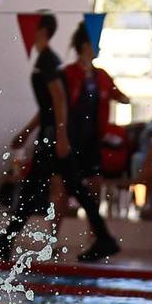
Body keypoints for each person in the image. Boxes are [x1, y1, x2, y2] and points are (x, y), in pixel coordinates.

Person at [0, 12, 71, 259]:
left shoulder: (48, 60)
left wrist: (60, 135)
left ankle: (10, 237)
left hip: (52, 135)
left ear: (41, 30)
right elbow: (49, 106)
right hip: (49, 133)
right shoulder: (45, 60)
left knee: (41, 187)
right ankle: (10, 237)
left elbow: (59, 99)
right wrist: (27, 132)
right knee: (42, 187)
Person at [58, 25, 126, 261]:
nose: (98, 48)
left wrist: (121, 98)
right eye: (95, 43)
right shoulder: (69, 74)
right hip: (72, 139)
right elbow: (59, 105)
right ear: (86, 46)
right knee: (64, 192)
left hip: (92, 141)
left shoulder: (102, 76)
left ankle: (94, 237)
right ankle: (53, 238)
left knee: (94, 188)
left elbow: (120, 95)